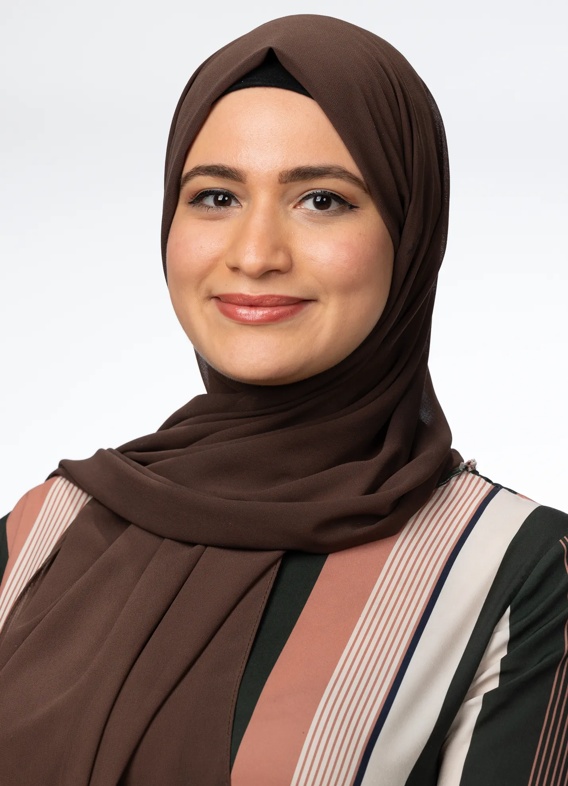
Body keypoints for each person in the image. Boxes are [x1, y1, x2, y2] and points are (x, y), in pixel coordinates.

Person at [0, 14, 566, 786]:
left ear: (411, 229)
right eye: (216, 197)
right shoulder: (45, 527)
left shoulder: (511, 569)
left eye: (322, 201)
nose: (256, 254)